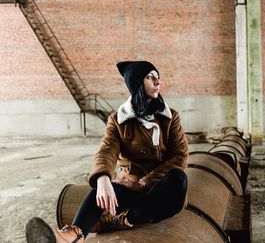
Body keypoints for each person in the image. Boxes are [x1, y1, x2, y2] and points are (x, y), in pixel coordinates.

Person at [26, 61, 189, 243]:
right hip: (129, 188)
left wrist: (143, 183)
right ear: (137, 83)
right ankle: (73, 235)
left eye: (158, 78)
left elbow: (180, 156)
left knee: (178, 178)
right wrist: (103, 179)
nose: (158, 83)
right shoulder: (118, 120)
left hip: (160, 191)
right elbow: (106, 150)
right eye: (151, 78)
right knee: (102, 189)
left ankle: (122, 218)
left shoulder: (170, 117)